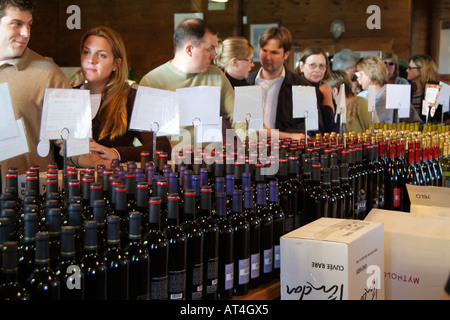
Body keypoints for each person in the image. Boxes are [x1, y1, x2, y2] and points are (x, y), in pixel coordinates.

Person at [65, 26, 171, 169]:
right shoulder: (67, 97)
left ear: (116, 63)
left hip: (115, 186)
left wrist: (117, 153)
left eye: (101, 55)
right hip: (68, 186)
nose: (91, 60)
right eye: (86, 52)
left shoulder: (133, 98)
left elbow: (162, 148)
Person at [140, 18, 245, 149]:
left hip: (212, 160)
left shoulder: (216, 75)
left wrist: (245, 142)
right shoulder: (152, 82)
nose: (213, 55)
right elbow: (147, 139)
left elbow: (238, 115)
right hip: (170, 162)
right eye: (209, 49)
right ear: (189, 50)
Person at [0, 0, 70, 178]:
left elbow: (73, 141)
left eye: (29, 25)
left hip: (27, 198)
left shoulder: (49, 73)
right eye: (17, 24)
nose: (25, 33)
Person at [247, 26, 310, 141]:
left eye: (274, 53)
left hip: (285, 152)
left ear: (286, 55)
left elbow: (307, 129)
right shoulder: (246, 82)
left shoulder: (301, 86)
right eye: (264, 50)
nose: (267, 57)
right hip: (251, 152)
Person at [295, 45, 338, 134]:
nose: (317, 70)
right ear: (301, 66)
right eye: (312, 65)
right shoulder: (299, 89)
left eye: (321, 66)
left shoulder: (321, 87)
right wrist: (327, 95)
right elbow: (327, 123)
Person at [355, 56, 391, 123]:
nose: (358, 78)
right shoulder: (360, 96)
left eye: (361, 74)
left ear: (371, 74)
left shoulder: (391, 96)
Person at [407, 54, 440, 122]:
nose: (407, 70)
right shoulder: (409, 89)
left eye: (410, 68)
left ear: (422, 70)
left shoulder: (435, 90)